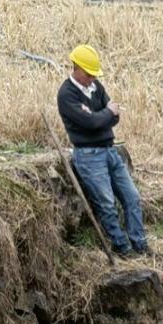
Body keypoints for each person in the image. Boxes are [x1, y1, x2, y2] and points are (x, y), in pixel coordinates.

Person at [56, 44, 148, 258]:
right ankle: (122, 247)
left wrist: (101, 116)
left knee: (132, 197)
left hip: (109, 150)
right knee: (106, 203)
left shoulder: (96, 86)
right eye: (89, 74)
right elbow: (91, 123)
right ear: (76, 69)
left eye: (94, 74)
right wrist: (104, 114)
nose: (92, 78)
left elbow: (113, 117)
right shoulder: (66, 95)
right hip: (88, 156)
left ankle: (139, 243)